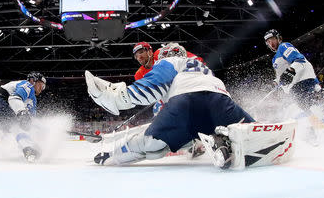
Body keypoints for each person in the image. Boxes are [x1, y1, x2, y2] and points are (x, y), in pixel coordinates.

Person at [85, 43, 296, 170]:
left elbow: (152, 87)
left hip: (184, 103)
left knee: (153, 144)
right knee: (246, 130)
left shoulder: (169, 61)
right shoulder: (201, 65)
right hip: (220, 100)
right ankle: (221, 139)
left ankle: (113, 155)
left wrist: (117, 98)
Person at [264, 29, 324, 143]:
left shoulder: (284, 46)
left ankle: (316, 132)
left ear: (278, 38)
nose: (271, 43)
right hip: (294, 85)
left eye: (272, 40)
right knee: (299, 108)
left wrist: (291, 71)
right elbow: (282, 75)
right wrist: (275, 82)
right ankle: (314, 132)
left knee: (301, 106)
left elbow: (299, 59)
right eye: (268, 42)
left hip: (302, 80)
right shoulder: (274, 59)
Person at [0, 72, 46, 162]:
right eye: (41, 86)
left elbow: (30, 121)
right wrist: (22, 113)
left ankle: (27, 147)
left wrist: (32, 137)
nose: (41, 89)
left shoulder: (30, 97)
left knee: (14, 128)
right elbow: (14, 98)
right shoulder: (28, 86)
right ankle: (28, 150)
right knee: (17, 126)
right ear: (34, 81)